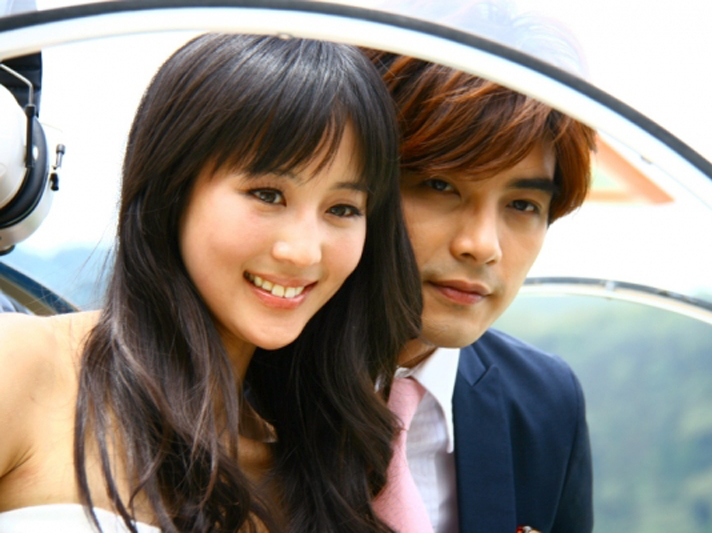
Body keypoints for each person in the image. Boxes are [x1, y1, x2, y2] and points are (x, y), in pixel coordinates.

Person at [0, 34, 421, 533]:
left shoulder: (315, 476)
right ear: (172, 189)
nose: (305, 251)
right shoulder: (23, 368)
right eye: (268, 194)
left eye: (343, 209)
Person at [366, 50, 596, 533]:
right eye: (439, 185)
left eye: (522, 204)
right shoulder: (237, 386)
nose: (482, 245)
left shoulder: (544, 403)